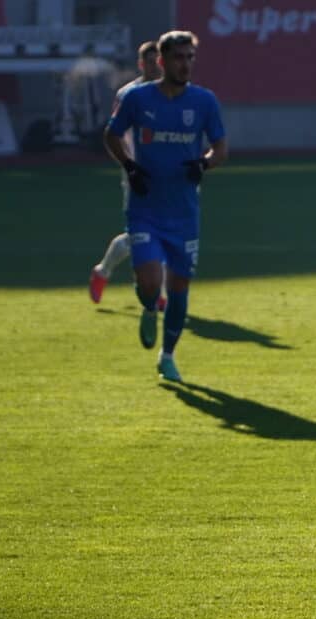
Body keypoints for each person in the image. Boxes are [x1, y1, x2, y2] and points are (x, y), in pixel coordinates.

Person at [103, 30, 227, 382]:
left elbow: (220, 148)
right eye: (178, 57)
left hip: (185, 211)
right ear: (161, 61)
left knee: (179, 289)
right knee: (150, 282)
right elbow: (112, 134)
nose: (185, 64)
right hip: (145, 207)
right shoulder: (137, 98)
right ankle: (145, 303)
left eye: (190, 57)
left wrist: (204, 163)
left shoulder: (204, 102)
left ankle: (167, 356)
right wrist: (129, 166)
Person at [89, 40, 167, 309]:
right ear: (140, 64)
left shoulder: (172, 92)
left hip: (166, 175)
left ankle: (155, 292)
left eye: (157, 61)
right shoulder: (128, 94)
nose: (153, 66)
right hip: (136, 174)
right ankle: (104, 271)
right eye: (148, 61)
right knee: (138, 236)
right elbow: (114, 134)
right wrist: (128, 164)